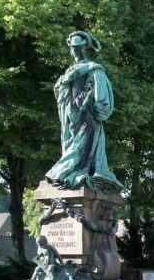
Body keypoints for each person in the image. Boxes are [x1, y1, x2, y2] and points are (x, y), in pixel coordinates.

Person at [45, 31, 123, 192]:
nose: (73, 50)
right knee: (71, 147)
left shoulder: (94, 70)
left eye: (75, 48)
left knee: (81, 150)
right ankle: (69, 173)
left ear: (81, 49)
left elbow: (103, 98)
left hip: (87, 118)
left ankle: (65, 173)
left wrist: (96, 111)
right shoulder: (68, 72)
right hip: (69, 118)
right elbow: (58, 92)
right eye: (72, 47)